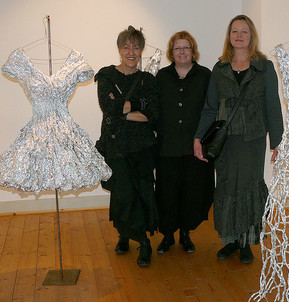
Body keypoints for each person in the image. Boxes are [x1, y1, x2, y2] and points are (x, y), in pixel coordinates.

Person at [194, 15, 284, 264]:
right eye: (235, 31)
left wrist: (277, 141)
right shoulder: (220, 68)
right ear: (230, 37)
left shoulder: (264, 67)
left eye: (244, 31)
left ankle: (247, 242)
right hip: (225, 141)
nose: (239, 35)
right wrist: (198, 138)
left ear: (251, 36)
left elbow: (273, 106)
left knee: (248, 188)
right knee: (226, 187)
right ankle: (231, 239)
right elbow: (210, 108)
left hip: (253, 140)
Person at [94, 26, 159, 267]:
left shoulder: (148, 80)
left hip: (142, 147)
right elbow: (108, 108)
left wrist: (123, 109)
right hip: (116, 146)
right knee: (122, 194)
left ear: (142, 50)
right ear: (119, 49)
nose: (131, 52)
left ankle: (143, 242)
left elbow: (152, 114)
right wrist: (136, 106)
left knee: (142, 193)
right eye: (126, 46)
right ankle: (126, 235)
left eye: (136, 46)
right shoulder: (107, 75)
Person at [155, 31, 214, 254]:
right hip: (167, 147)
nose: (182, 52)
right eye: (177, 48)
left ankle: (186, 234)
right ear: (172, 52)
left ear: (193, 50)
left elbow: (212, 109)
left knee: (192, 193)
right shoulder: (161, 77)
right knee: (167, 194)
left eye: (186, 47)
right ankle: (168, 235)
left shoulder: (205, 76)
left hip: (195, 148)